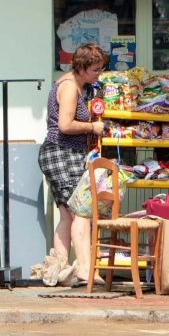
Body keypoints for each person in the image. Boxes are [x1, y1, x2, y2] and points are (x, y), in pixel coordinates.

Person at [37, 42, 107, 287]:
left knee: (67, 214)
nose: (99, 74)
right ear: (82, 67)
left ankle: (61, 270)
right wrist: (92, 127)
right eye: (96, 69)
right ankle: (86, 270)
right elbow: (65, 125)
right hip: (61, 152)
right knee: (81, 212)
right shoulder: (69, 88)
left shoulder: (78, 86)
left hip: (63, 153)